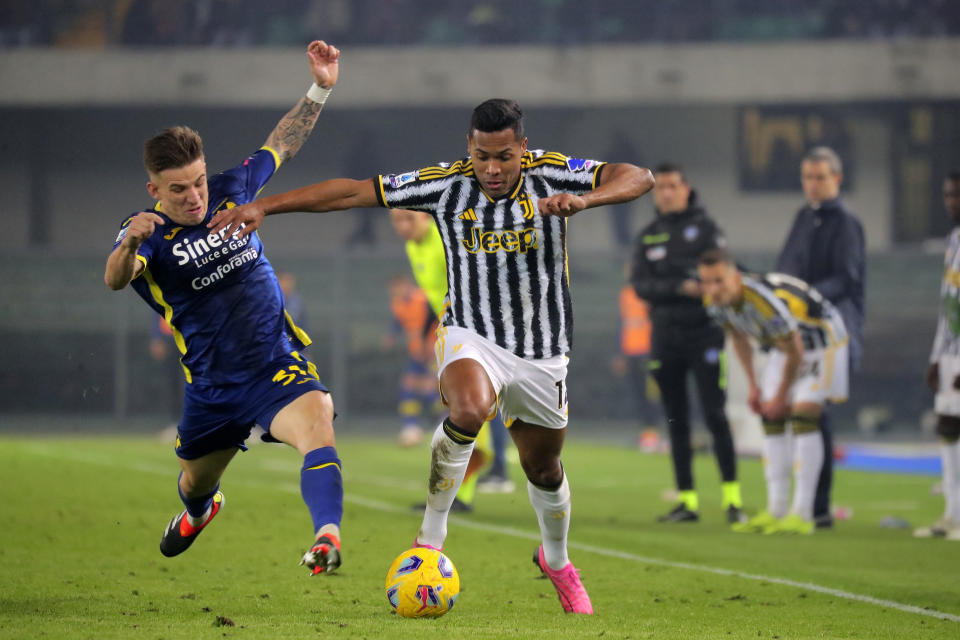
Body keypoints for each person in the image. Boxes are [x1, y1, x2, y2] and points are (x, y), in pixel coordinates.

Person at [209, 98, 655, 614]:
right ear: (469, 148)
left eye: (504, 157)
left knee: (545, 469)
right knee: (468, 410)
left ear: (523, 150)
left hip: (543, 349)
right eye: (482, 155)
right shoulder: (446, 183)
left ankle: (556, 560)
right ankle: (430, 541)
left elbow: (637, 176)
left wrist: (586, 201)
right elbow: (355, 192)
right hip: (470, 331)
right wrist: (266, 206)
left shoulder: (553, 173)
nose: (492, 169)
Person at [103, 41, 345, 575]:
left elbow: (281, 144)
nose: (193, 196)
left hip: (273, 365)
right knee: (195, 481)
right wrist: (125, 245)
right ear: (154, 189)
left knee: (318, 424)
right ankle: (201, 510)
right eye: (178, 189)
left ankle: (327, 537)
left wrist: (320, 88)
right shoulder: (147, 233)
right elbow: (116, 280)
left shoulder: (232, 189)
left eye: (197, 182)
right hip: (212, 386)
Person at [697, 248, 848, 535]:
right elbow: (738, 338)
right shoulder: (714, 303)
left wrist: (780, 396)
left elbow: (796, 351)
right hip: (785, 347)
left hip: (824, 342)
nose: (712, 289)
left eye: (719, 281)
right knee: (771, 419)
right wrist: (754, 386)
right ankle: (776, 510)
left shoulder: (764, 301)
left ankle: (802, 514)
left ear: (735, 276)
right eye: (706, 282)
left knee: (803, 416)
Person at [630, 164, 744, 524]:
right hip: (665, 336)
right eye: (660, 186)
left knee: (715, 414)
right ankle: (688, 501)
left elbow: (722, 273)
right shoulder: (648, 235)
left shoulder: (706, 229)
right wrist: (680, 287)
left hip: (705, 332)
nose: (666, 192)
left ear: (686, 188)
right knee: (676, 419)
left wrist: (693, 288)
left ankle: (732, 500)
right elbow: (640, 285)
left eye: (672, 186)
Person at [389, 208, 514, 504]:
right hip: (457, 331)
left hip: (477, 330)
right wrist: (425, 335)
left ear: (425, 218)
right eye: (396, 220)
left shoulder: (446, 240)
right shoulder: (412, 247)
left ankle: (495, 470)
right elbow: (436, 296)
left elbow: (474, 282)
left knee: (473, 408)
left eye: (408, 218)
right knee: (473, 408)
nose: (402, 226)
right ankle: (471, 486)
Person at [774, 146, 865, 529]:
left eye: (820, 177)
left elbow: (847, 279)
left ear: (837, 179)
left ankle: (818, 506)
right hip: (800, 333)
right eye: (808, 177)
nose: (813, 184)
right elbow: (785, 268)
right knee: (806, 415)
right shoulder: (802, 217)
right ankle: (807, 505)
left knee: (814, 413)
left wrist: (803, 298)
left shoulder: (846, 223)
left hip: (833, 333)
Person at [917, 169, 960, 540]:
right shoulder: (954, 239)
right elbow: (949, 304)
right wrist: (936, 354)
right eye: (948, 195)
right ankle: (952, 514)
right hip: (950, 351)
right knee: (947, 425)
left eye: (957, 195)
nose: (952, 203)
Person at [384, 273, 439, 448]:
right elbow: (399, 322)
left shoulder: (422, 299)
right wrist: (391, 336)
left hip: (434, 350)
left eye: (398, 287)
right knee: (408, 388)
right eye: (393, 289)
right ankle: (411, 427)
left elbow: (436, 318)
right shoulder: (397, 303)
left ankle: (443, 426)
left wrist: (428, 344)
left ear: (407, 285)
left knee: (434, 390)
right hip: (416, 352)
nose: (396, 291)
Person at [612, 281, 660, 431]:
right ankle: (648, 432)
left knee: (653, 394)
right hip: (631, 352)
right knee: (639, 393)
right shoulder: (626, 294)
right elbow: (622, 323)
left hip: (651, 352)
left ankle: (657, 431)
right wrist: (620, 353)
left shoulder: (654, 292)